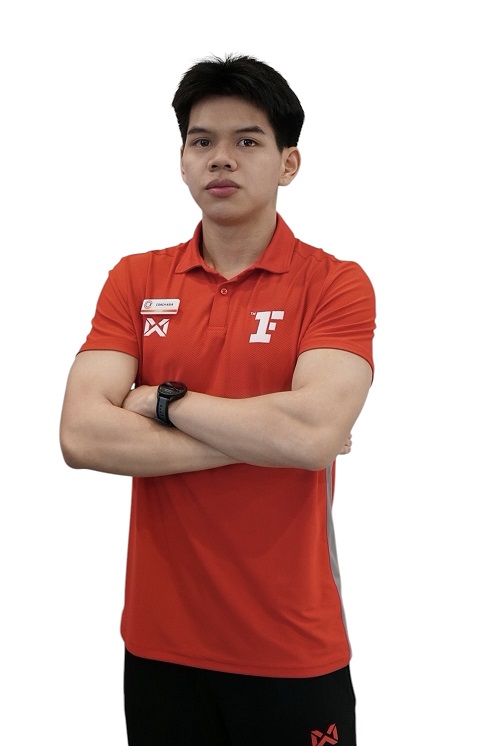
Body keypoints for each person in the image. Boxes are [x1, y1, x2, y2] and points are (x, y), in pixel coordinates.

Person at [60, 53, 376, 746]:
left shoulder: (335, 283)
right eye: (201, 141)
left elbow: (311, 435)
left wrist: (160, 401)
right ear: (182, 161)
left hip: (291, 646)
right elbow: (81, 436)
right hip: (159, 646)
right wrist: (273, 437)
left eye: (247, 141)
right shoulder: (136, 279)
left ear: (289, 163)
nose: (221, 158)